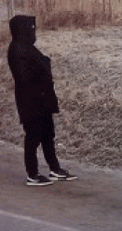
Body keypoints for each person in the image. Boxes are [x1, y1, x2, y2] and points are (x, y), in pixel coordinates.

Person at [6, 14, 76, 186]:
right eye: (30, 28)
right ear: (21, 30)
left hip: (42, 99)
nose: (33, 31)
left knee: (47, 135)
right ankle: (32, 174)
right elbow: (24, 77)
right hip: (30, 101)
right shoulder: (16, 49)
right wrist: (42, 68)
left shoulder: (27, 47)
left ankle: (54, 169)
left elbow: (40, 65)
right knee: (33, 137)